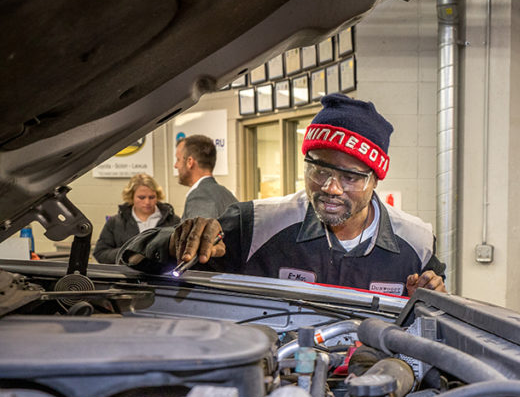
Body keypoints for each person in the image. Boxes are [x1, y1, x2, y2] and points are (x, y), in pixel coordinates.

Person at [121, 94, 445, 296]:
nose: (332, 188)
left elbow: (435, 323)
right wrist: (172, 242)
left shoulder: (415, 242)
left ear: (376, 179)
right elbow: (134, 259)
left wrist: (433, 299)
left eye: (350, 177)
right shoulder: (258, 225)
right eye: (320, 171)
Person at [92, 173, 179, 264]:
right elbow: (100, 253)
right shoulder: (115, 222)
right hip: (126, 276)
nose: (147, 202)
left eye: (152, 197)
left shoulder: (173, 221)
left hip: (163, 275)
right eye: (141, 197)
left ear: (157, 196)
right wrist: (128, 254)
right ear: (131, 197)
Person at [175, 134, 237, 220]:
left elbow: (199, 233)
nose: (175, 165)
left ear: (190, 162)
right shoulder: (227, 195)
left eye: (178, 160)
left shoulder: (200, 198)